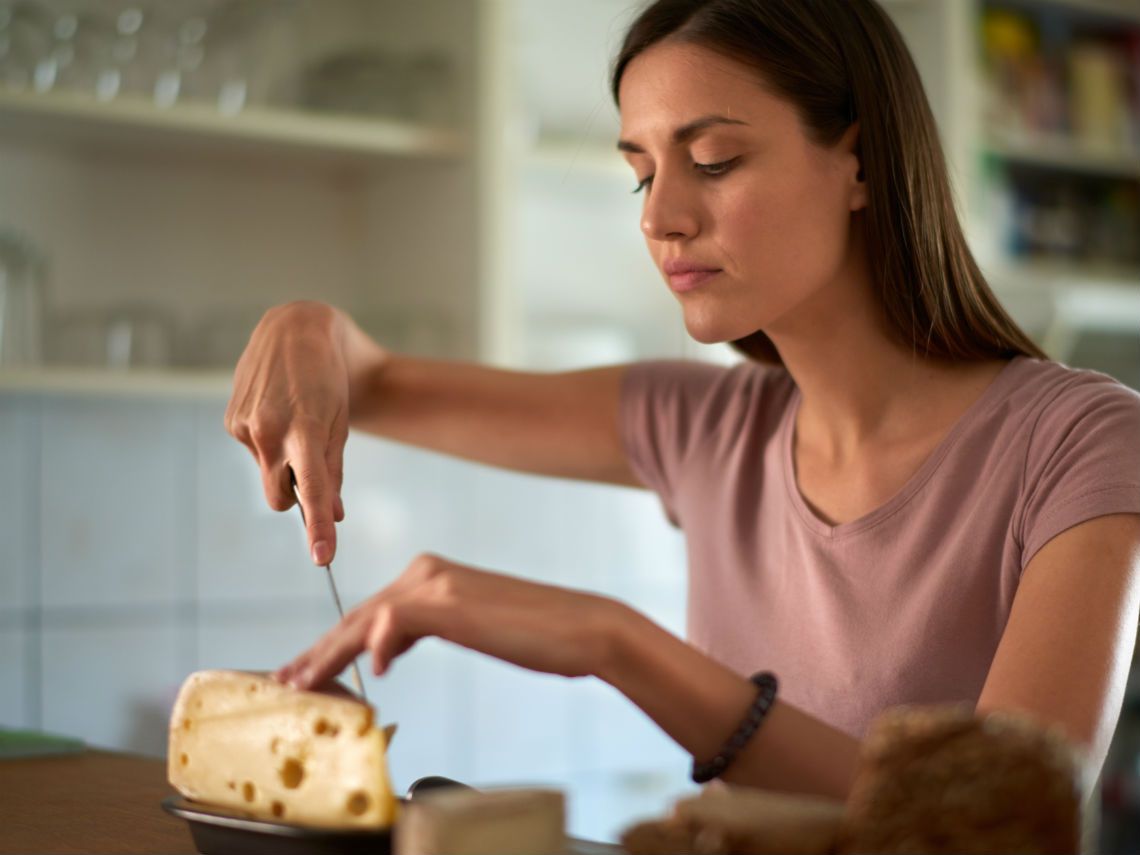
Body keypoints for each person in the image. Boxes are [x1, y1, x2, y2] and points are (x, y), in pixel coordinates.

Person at [225, 0, 1140, 801]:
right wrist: (304, 325)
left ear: (858, 164)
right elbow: (374, 379)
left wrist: (614, 641)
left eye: (712, 159)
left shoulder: (1081, 443)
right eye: (642, 169)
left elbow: (1006, 824)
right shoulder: (707, 428)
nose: (660, 217)